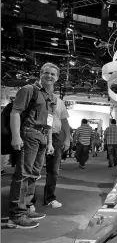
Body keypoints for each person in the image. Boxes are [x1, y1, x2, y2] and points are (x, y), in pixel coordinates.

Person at [7, 62, 58, 229]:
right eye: (46, 73)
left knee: (34, 174)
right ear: (41, 74)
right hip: (29, 133)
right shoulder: (29, 89)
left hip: (42, 137)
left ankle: (27, 207)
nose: (49, 76)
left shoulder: (52, 98)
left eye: (53, 74)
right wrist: (16, 136)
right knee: (23, 173)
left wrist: (50, 142)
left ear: (56, 78)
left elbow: (49, 123)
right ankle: (16, 214)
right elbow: (15, 112)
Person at [32, 94, 70, 208]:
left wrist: (67, 138)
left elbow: (64, 122)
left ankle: (49, 198)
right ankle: (29, 200)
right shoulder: (36, 98)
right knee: (34, 169)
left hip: (56, 137)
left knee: (53, 170)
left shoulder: (59, 102)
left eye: (53, 74)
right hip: (38, 134)